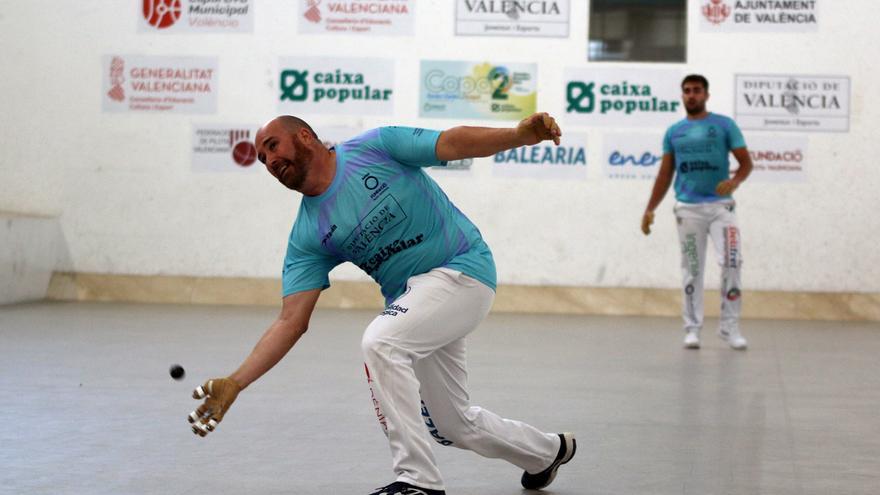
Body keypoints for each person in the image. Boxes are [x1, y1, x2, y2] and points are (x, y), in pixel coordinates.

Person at [186, 113, 577, 495]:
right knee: (452, 425)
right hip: (418, 302)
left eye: (273, 146)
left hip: (462, 269)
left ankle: (418, 481)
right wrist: (237, 382)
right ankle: (547, 452)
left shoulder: (377, 147)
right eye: (262, 159)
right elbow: (291, 321)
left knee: (382, 341)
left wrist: (518, 135)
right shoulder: (308, 233)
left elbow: (453, 142)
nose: (270, 161)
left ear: (305, 136)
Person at [641, 74, 753, 350]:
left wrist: (735, 181)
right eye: (687, 91)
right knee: (692, 268)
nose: (692, 95)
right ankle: (692, 328)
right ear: (682, 95)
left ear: (706, 95)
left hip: (721, 208)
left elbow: (746, 164)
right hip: (688, 210)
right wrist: (650, 208)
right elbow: (665, 173)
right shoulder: (674, 132)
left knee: (732, 262)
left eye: (697, 91)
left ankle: (730, 328)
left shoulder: (724, 125)